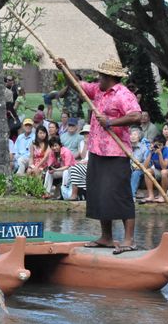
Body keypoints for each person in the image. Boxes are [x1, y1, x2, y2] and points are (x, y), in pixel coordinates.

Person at [55, 57, 142, 255]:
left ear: (109, 77)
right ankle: (106, 237)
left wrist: (111, 122)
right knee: (100, 194)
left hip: (117, 153)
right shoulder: (97, 91)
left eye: (101, 75)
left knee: (120, 195)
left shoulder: (123, 94)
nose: (98, 78)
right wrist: (65, 67)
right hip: (97, 151)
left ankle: (129, 240)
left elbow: (136, 115)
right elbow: (77, 85)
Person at [141, 135, 168, 203]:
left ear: (163, 145)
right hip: (159, 171)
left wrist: (160, 155)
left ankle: (163, 196)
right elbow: (145, 167)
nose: (158, 147)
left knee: (164, 172)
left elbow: (164, 167)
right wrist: (150, 153)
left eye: (160, 145)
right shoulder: (152, 151)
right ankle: (151, 196)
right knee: (147, 171)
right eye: (156, 145)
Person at [67, 124, 91, 201]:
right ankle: (76, 193)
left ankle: (74, 194)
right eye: (85, 133)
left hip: (92, 164)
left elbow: (94, 158)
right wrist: (86, 144)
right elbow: (83, 156)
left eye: (88, 133)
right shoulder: (81, 142)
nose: (86, 135)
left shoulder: (95, 143)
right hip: (83, 162)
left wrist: (87, 162)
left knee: (74, 169)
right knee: (72, 168)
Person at [129, 127, 150, 201]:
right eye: (131, 134)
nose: (133, 136)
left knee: (136, 174)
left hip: (140, 168)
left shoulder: (143, 147)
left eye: (135, 134)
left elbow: (147, 161)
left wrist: (140, 166)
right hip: (128, 167)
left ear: (139, 137)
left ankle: (132, 196)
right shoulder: (126, 146)